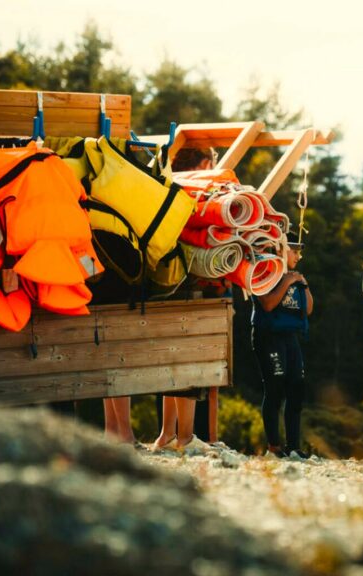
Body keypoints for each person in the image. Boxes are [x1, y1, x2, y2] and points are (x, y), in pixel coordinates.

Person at [151, 147, 217, 452]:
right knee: (189, 358)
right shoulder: (199, 190)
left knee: (168, 358)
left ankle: (166, 434)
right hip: (189, 280)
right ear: (205, 165)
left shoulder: (163, 185)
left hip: (161, 279)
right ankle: (186, 438)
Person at [251, 232, 313, 458]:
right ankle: (274, 447)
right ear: (280, 249)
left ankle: (294, 446)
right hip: (268, 336)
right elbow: (267, 304)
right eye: (294, 250)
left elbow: (307, 309)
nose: (298, 256)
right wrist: (287, 281)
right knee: (275, 388)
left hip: (290, 337)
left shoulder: (295, 277)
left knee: (297, 388)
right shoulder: (263, 269)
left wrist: (303, 284)